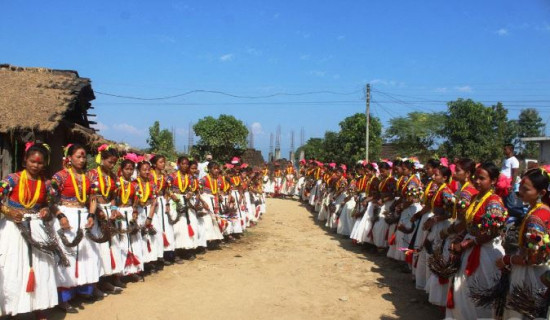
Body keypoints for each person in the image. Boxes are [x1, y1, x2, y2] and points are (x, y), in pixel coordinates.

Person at [0, 143, 58, 319]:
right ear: (25, 160)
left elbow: (48, 205)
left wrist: (46, 210)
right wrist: (9, 211)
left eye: (40, 163)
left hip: (35, 227)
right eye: (32, 161)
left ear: (45, 164)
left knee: (40, 267)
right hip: (13, 229)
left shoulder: (47, 184)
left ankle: (38, 306)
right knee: (14, 267)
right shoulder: (12, 179)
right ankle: (12, 308)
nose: (36, 165)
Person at [446, 162, 506, 320]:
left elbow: (493, 232)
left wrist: (468, 243)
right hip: (470, 246)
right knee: (463, 288)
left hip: (485, 252)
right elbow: (468, 223)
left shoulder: (494, 201)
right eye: (476, 178)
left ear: (493, 181)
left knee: (479, 289)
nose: (477, 181)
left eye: (482, 178)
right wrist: (459, 239)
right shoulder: (475, 197)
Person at [52, 144, 100, 312]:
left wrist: (92, 215)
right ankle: (63, 297)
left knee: (87, 253)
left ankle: (83, 290)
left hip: (84, 216)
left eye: (84, 157)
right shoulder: (60, 176)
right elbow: (49, 199)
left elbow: (93, 198)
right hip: (66, 217)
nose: (82, 160)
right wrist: (60, 215)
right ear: (69, 158)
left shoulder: (89, 177)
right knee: (67, 255)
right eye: (78, 156)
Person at [502, 143, 524, 219]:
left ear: (511, 150)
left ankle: (520, 217)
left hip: (509, 185)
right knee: (504, 203)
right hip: (503, 185)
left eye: (505, 149)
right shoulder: (505, 159)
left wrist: (511, 185)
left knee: (510, 204)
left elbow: (515, 173)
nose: (504, 150)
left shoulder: (514, 160)